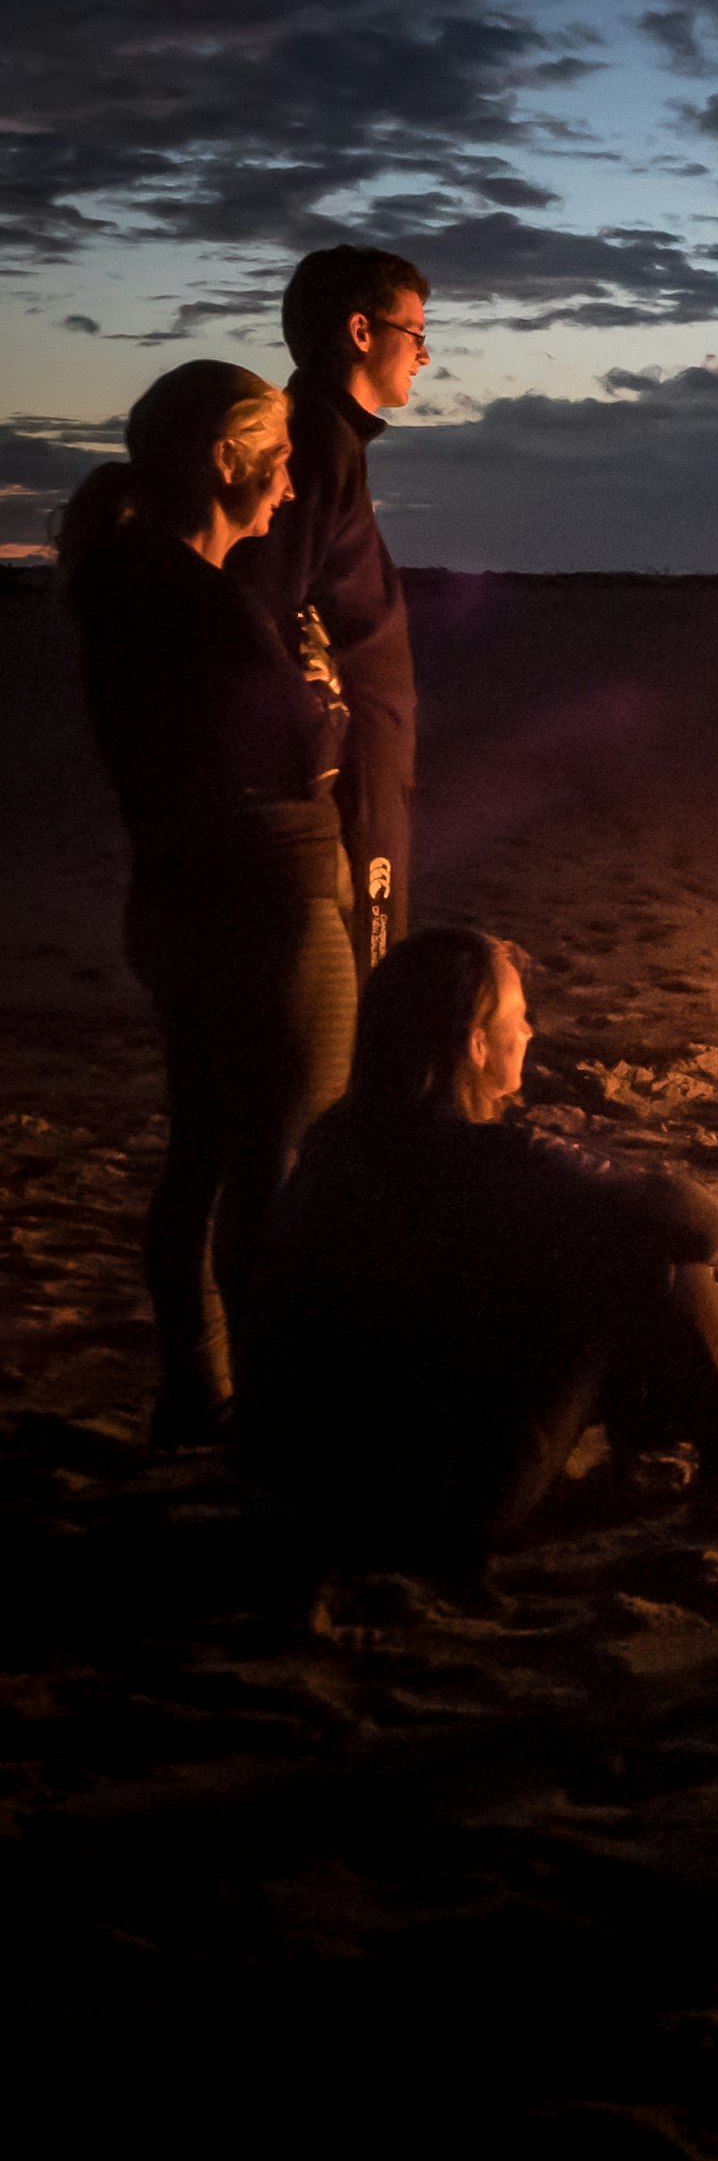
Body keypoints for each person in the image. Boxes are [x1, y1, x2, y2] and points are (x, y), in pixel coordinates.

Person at [237, 930, 718, 1574]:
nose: (532, 1031)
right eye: (518, 1017)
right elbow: (709, 1226)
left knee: (565, 1267)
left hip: (285, 1487)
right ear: (477, 1044)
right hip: (411, 1510)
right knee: (654, 1262)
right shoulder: (491, 1160)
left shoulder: (331, 1142)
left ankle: (670, 1432)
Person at [58, 362, 355, 1446]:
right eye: (276, 463)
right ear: (226, 460)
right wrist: (322, 689)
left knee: (203, 1152)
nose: (285, 490)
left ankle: (198, 1388)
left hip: (177, 897)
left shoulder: (125, 583)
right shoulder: (205, 601)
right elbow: (301, 753)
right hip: (268, 900)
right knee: (283, 1160)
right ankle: (273, 1408)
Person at [236, 243, 425, 971]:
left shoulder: (332, 436)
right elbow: (266, 600)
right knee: (363, 959)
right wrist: (325, 734)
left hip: (362, 752)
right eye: (415, 334)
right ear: (361, 331)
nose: (424, 357)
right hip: (348, 762)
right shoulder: (314, 440)